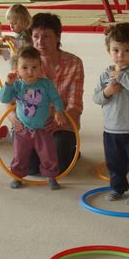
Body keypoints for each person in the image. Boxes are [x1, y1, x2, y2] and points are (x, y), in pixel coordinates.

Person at [93, 22, 129, 205]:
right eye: (115, 50)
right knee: (115, 164)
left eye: (126, 50)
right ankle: (117, 188)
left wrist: (122, 76)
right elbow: (96, 98)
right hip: (112, 130)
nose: (120, 55)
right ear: (109, 50)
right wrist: (107, 92)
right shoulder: (105, 74)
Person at [24, 13, 85, 174]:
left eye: (46, 36)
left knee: (58, 167)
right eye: (35, 36)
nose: (40, 42)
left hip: (62, 123)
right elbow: (10, 99)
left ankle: (71, 151)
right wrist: (14, 119)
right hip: (32, 123)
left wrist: (60, 120)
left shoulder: (74, 63)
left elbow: (75, 104)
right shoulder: (24, 63)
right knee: (30, 169)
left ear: (58, 37)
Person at [0, 46, 66, 190]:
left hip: (43, 128)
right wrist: (8, 84)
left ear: (41, 67)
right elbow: (4, 98)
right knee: (19, 154)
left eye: (34, 67)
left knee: (49, 154)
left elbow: (56, 99)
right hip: (22, 129)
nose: (30, 72)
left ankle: (51, 177)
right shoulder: (16, 85)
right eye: (25, 67)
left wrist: (59, 111)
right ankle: (17, 176)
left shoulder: (46, 84)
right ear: (16, 68)